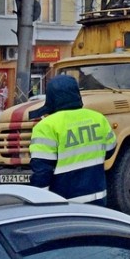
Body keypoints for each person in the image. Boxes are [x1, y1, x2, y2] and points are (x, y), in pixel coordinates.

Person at [29, 75, 116, 205]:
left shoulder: (46, 126)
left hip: (65, 203)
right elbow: (110, 150)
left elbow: (42, 172)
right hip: (98, 198)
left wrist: (38, 203)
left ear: (51, 97)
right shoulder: (98, 118)